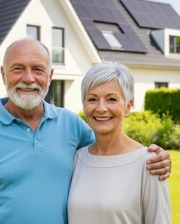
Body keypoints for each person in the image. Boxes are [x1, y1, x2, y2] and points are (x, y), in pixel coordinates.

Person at [0, 38, 171, 224]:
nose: (28, 78)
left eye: (38, 69)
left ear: (50, 75)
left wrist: (154, 157)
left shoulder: (71, 125)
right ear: (4, 74)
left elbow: (111, 147)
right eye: (18, 69)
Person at [68, 62, 172, 224]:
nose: (101, 108)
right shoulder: (76, 158)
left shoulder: (149, 163)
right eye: (92, 99)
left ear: (128, 106)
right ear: (84, 105)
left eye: (111, 99)